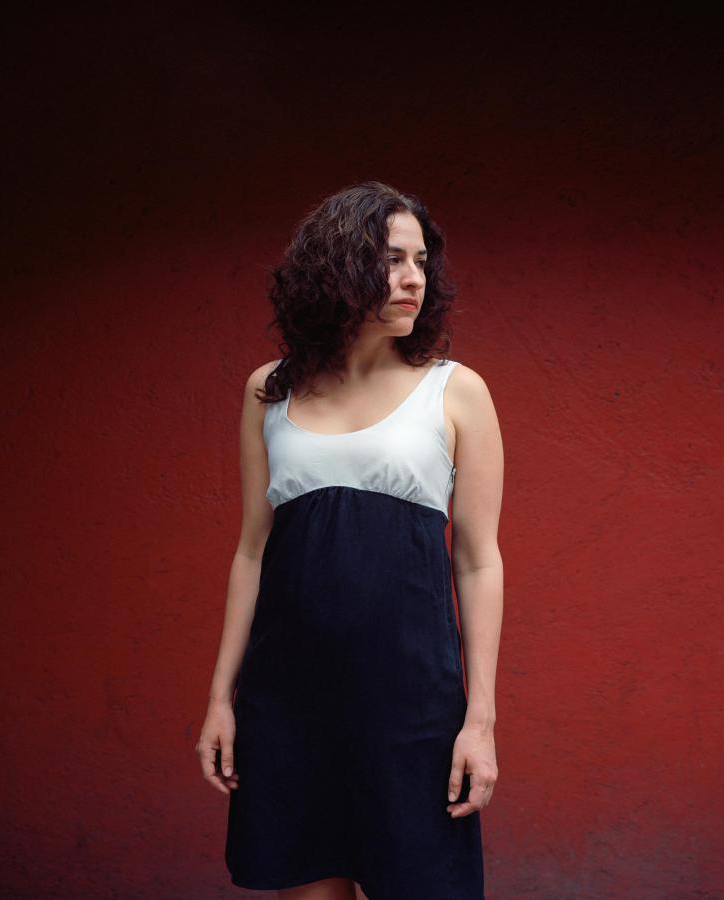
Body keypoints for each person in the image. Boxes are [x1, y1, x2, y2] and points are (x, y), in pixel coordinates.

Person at [197, 181, 504, 899]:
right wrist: (220, 698)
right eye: (391, 259)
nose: (413, 278)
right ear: (335, 266)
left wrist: (480, 719)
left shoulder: (455, 390)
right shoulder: (269, 391)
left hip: (412, 704)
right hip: (289, 701)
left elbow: (477, 560)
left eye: (420, 261)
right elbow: (252, 551)